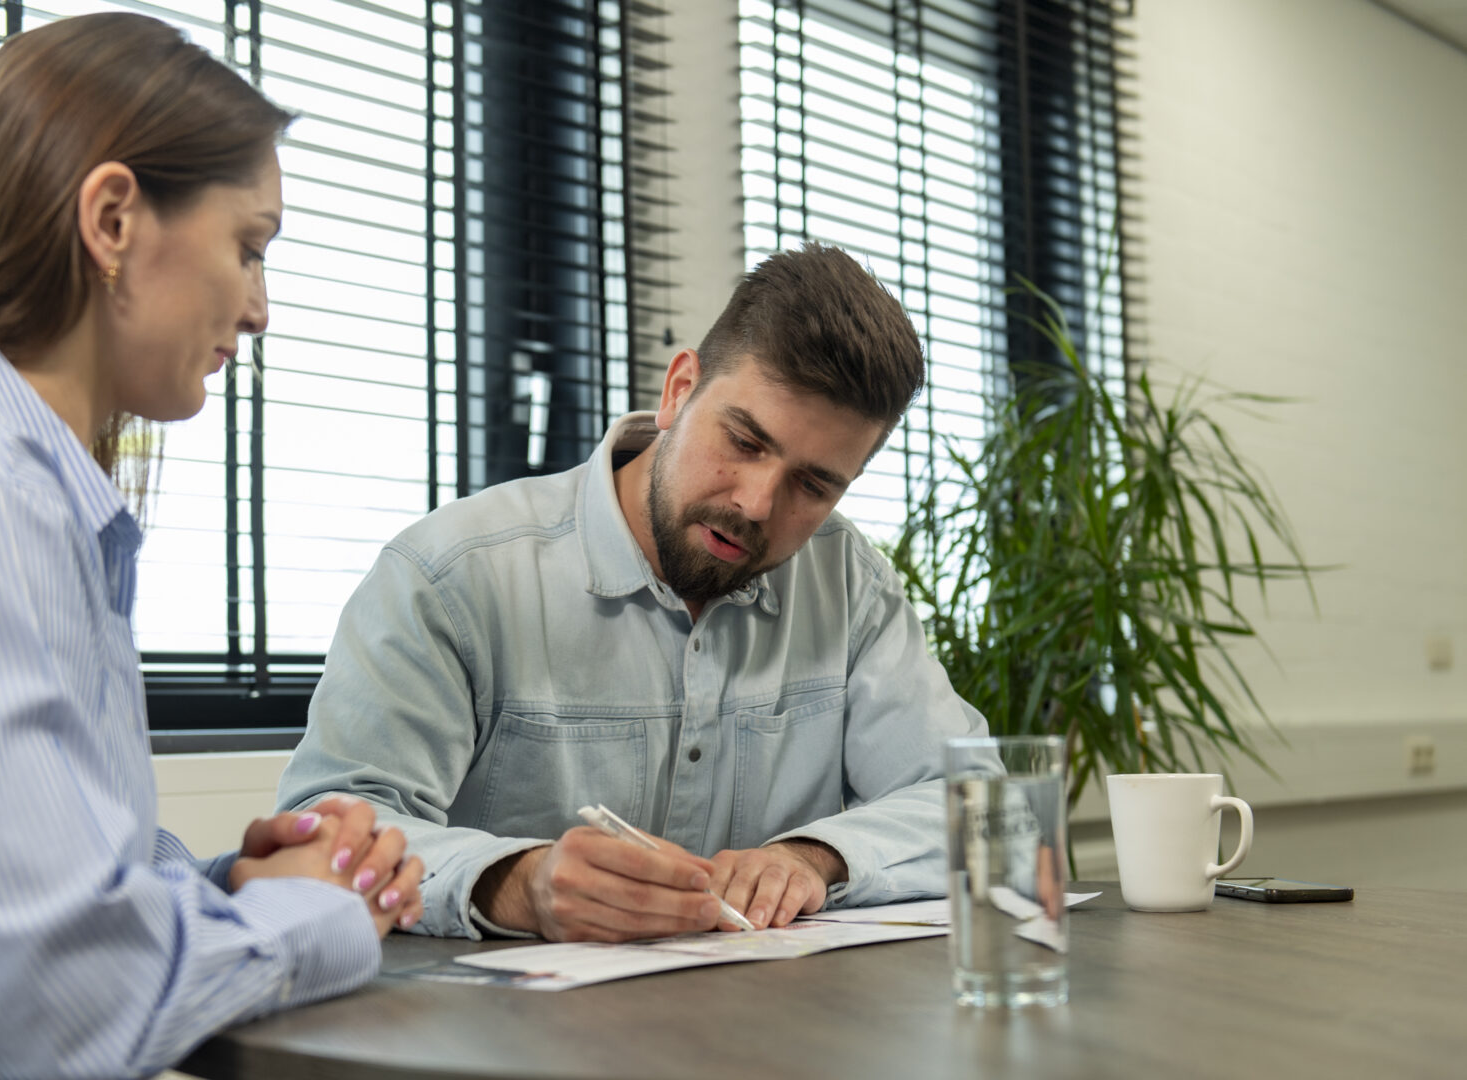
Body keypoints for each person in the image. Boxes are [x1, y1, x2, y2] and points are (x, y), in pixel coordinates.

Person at [0, 15, 423, 1079]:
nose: (260, 309)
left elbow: (11, 898)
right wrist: (318, 916)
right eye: (249, 247)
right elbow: (54, 1001)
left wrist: (226, 889)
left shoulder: (0, 479)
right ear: (113, 218)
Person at [277, 242, 989, 943]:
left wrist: (814, 859)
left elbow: (976, 803)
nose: (757, 503)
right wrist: (518, 884)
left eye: (813, 485)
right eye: (745, 441)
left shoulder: (848, 583)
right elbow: (330, 831)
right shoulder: (451, 574)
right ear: (680, 390)